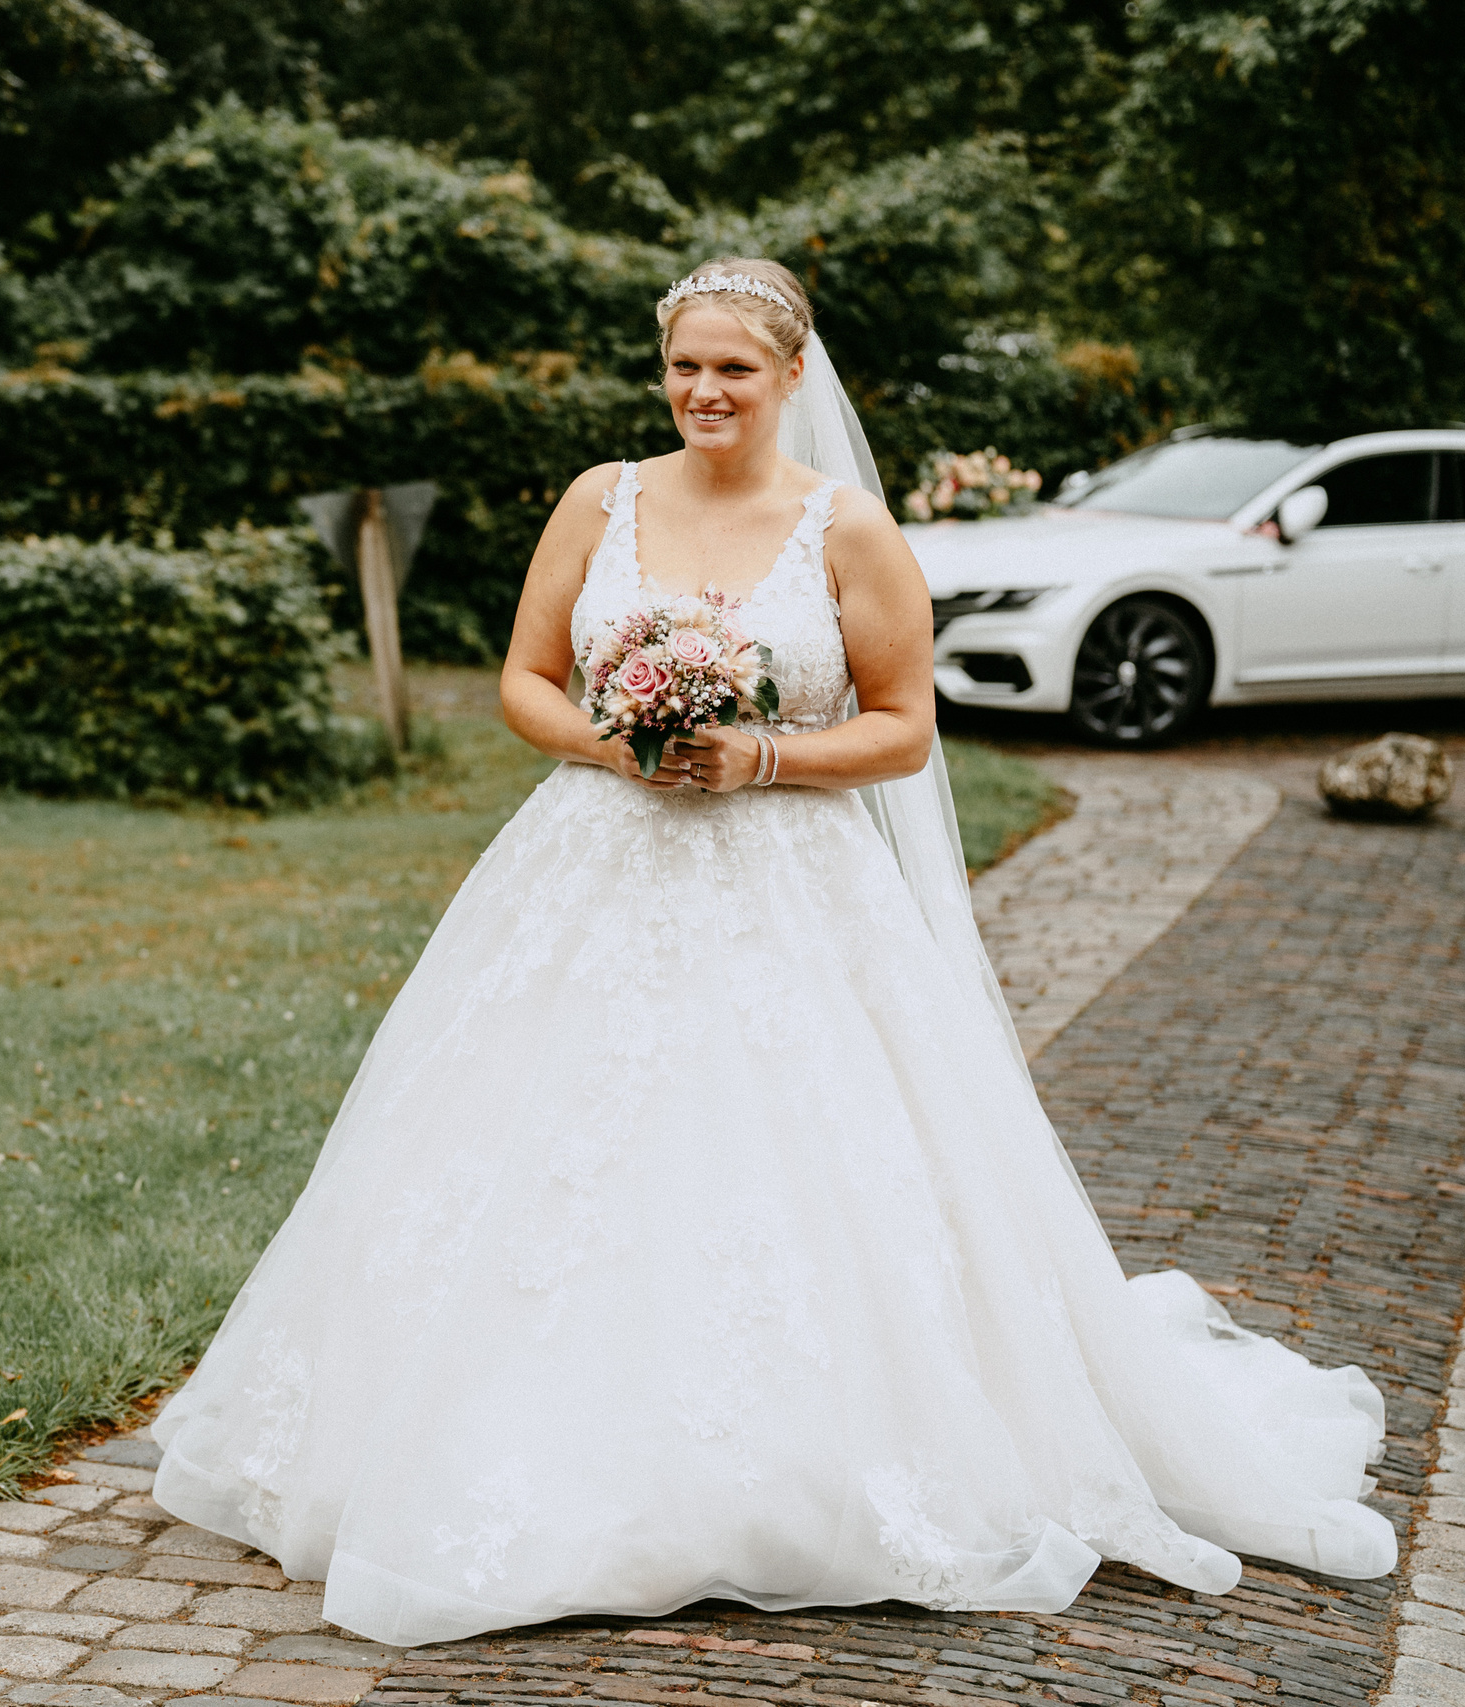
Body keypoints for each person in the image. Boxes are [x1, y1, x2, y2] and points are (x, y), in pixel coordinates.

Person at [147, 258, 1396, 1648]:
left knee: (796, 1157)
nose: (704, 392)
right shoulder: (599, 499)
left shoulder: (846, 530)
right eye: (685, 366)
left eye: (734, 369)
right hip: (592, 870)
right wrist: (616, 741)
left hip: (791, 887)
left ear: (793, 378)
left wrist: (757, 754)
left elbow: (905, 726)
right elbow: (522, 679)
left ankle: (799, 1465)